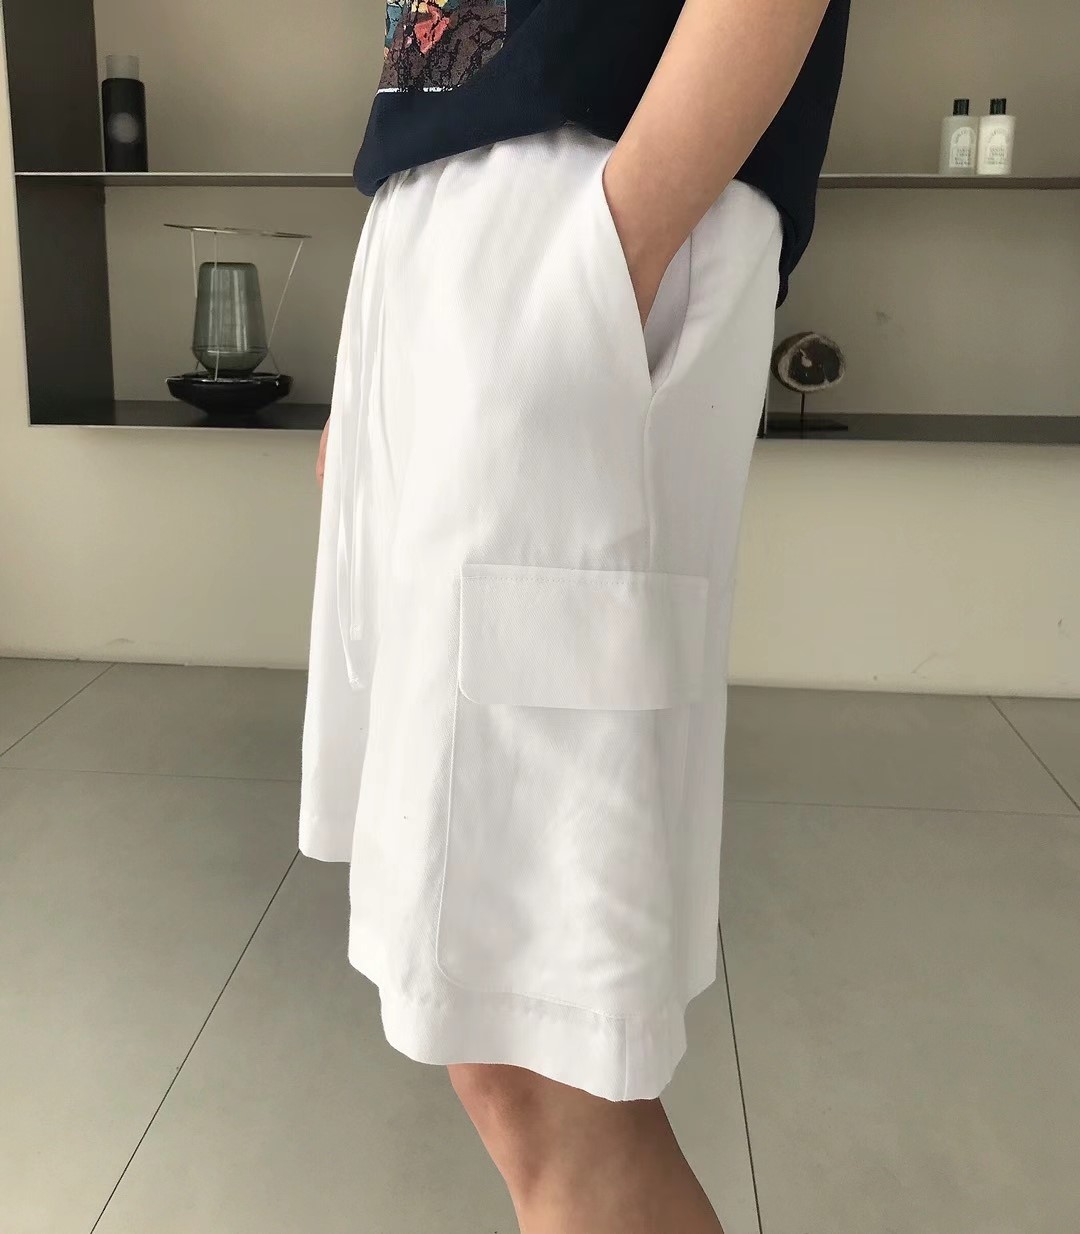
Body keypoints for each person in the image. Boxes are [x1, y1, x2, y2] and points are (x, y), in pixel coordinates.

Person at [300, 1, 850, 1229]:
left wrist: (615, 247)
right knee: (493, 1023)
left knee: (542, 1058)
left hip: (581, 214)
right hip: (464, 242)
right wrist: (383, 358)